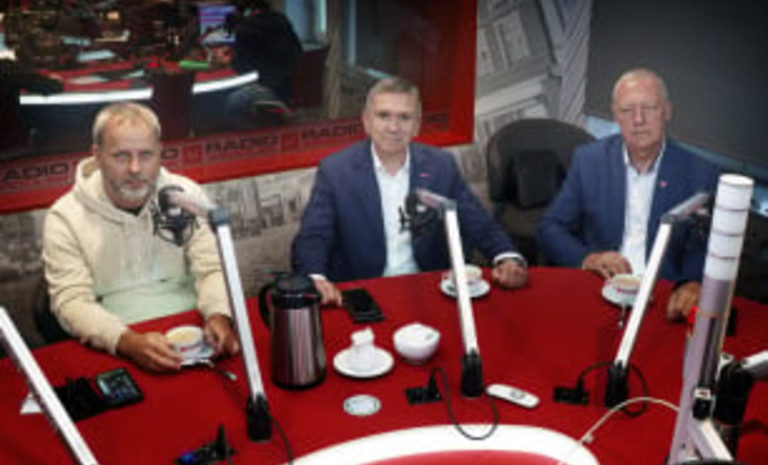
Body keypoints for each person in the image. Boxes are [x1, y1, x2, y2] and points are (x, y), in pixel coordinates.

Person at [292, 77, 528, 305]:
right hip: (364, 293)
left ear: (416, 126)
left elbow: (478, 222)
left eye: (404, 117)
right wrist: (316, 279)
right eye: (383, 115)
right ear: (366, 121)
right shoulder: (335, 171)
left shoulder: (441, 165)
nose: (393, 127)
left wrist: (507, 257)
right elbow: (313, 236)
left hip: (429, 289)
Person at [42, 102, 240, 373]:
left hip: (193, 330)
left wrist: (219, 314)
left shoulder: (186, 196)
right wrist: (126, 342)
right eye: (121, 156)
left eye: (146, 155)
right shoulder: (64, 217)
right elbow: (71, 301)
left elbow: (213, 269)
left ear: (160, 153)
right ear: (97, 156)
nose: (135, 168)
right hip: (114, 340)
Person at [536, 68, 719, 321]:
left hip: (664, 298)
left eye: (649, 108)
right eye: (627, 110)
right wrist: (588, 258)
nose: (638, 120)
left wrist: (690, 283)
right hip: (600, 288)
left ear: (666, 111)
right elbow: (550, 227)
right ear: (615, 115)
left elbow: (708, 246)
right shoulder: (588, 160)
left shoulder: (700, 172)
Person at [215, 0, 303, 126]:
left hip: (272, 90)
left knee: (228, 101)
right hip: (290, 88)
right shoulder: (281, 20)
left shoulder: (246, 29)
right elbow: (268, 49)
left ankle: (254, 135)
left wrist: (225, 60)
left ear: (246, 11)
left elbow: (242, 69)